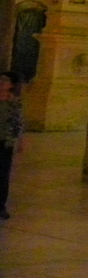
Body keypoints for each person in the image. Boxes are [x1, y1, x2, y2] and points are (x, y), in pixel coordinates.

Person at [0, 71, 24, 220]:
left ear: (11, 85)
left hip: (5, 142)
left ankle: (1, 205)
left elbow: (18, 122)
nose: (1, 83)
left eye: (5, 80)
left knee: (3, 174)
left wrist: (21, 140)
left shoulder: (14, 102)